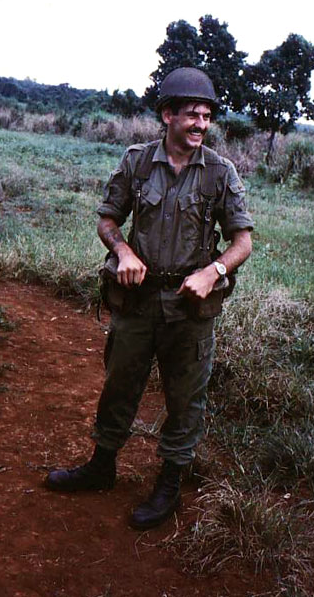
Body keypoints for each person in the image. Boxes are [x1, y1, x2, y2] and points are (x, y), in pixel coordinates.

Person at [45, 67, 253, 530]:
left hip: (190, 307)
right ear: (167, 115)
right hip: (137, 300)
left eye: (206, 116)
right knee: (119, 384)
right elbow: (107, 219)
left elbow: (243, 241)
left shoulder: (221, 172)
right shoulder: (137, 161)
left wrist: (213, 270)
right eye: (191, 115)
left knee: (185, 398)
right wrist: (121, 250)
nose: (200, 124)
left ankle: (169, 483)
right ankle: (102, 466)